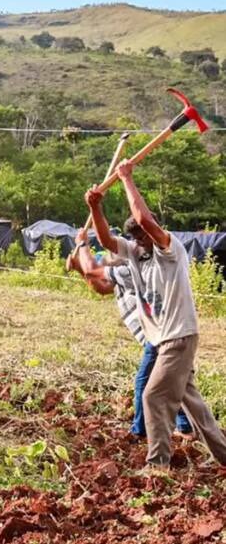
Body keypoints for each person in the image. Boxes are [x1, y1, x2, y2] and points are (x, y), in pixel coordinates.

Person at [85, 160, 226, 469]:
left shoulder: (169, 249)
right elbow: (107, 241)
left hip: (178, 337)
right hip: (163, 340)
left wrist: (126, 179)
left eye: (143, 235)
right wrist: (95, 207)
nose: (139, 241)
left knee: (152, 396)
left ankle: (157, 465)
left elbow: (145, 219)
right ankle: (224, 454)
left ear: (154, 232)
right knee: (193, 405)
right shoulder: (136, 253)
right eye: (135, 237)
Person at [67, 228, 193, 439]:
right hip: (161, 333)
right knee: (176, 381)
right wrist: (81, 269)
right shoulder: (118, 272)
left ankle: (140, 431)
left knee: (144, 383)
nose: (104, 260)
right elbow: (101, 286)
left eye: (106, 257)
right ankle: (187, 427)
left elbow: (93, 271)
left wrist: (82, 246)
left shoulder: (128, 267)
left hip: (161, 334)